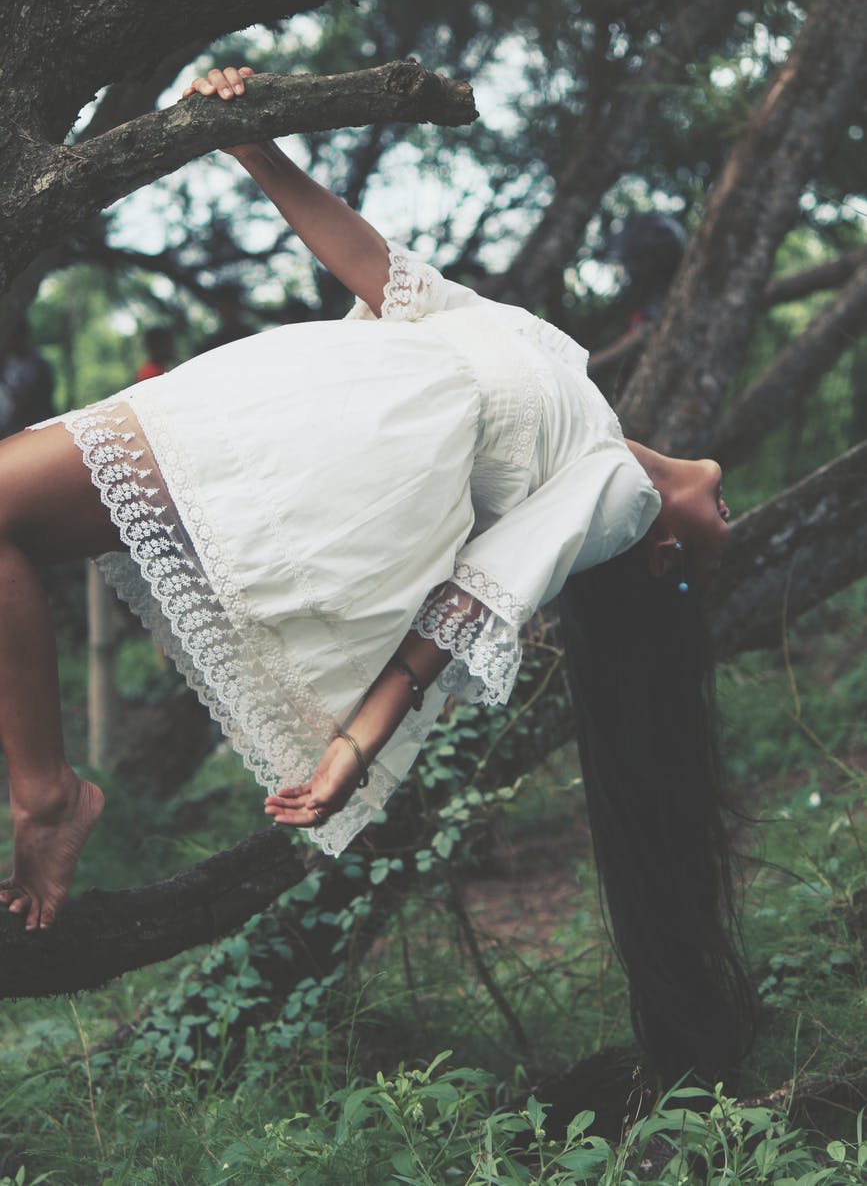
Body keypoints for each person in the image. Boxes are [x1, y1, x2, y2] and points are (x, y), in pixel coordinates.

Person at [0, 67, 749, 1083]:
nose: (728, 511)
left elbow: (478, 593)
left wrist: (358, 740)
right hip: (281, 391)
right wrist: (253, 145)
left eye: (715, 546)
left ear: (664, 553)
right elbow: (392, 278)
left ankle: (46, 793)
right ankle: (46, 787)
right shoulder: (579, 390)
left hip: (323, 453)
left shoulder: (617, 498)